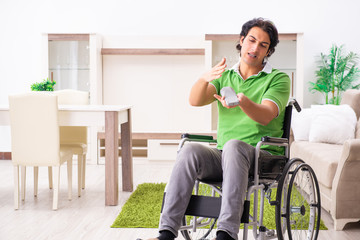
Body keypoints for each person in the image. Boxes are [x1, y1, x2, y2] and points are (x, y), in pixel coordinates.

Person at [144, 17, 290, 240]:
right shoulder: (226, 76)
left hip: (264, 158)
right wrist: (203, 79)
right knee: (190, 149)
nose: (255, 48)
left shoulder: (278, 79)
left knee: (233, 146)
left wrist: (243, 102)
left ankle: (226, 235)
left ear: (268, 51)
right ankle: (166, 233)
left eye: (263, 45)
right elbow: (195, 100)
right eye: (251, 40)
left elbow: (266, 114)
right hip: (225, 157)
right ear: (241, 41)